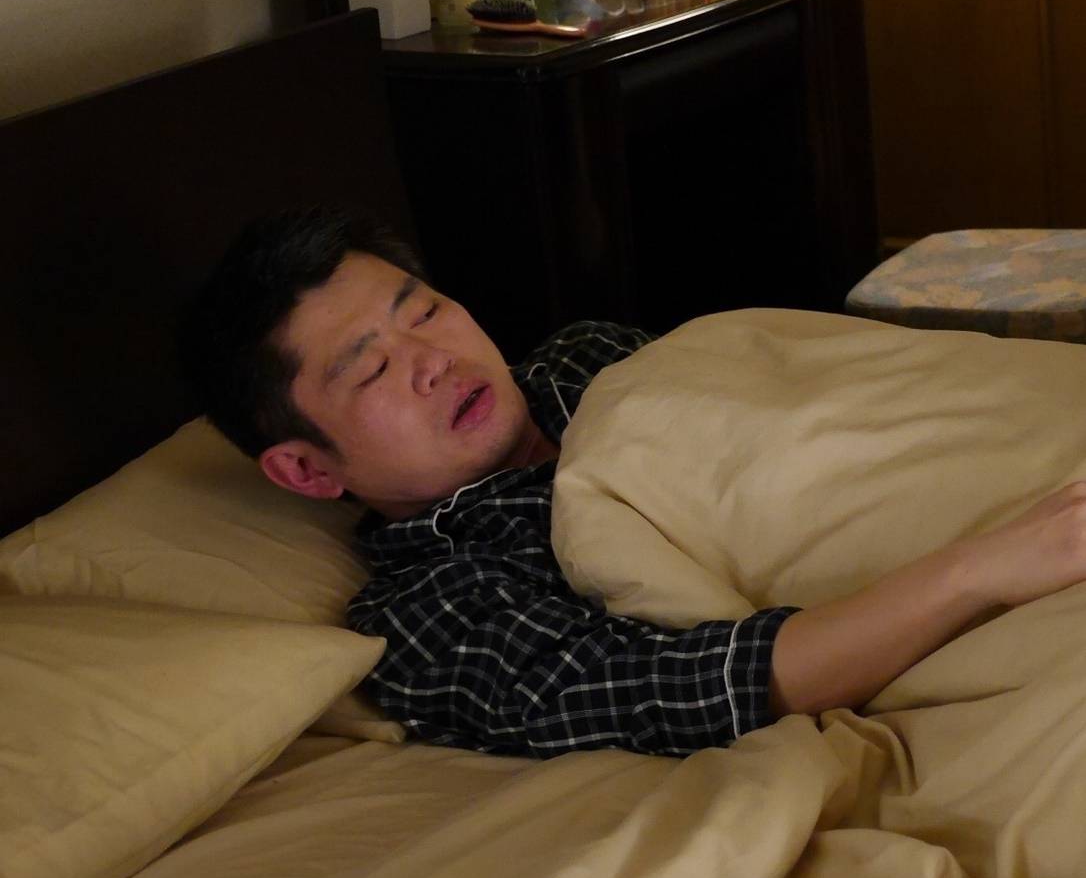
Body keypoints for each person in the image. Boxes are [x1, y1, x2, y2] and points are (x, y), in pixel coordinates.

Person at [181, 204, 1086, 760]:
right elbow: (697, 689)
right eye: (372, 369)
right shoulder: (436, 607)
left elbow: (828, 401)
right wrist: (986, 566)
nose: (433, 359)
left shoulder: (590, 358)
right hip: (981, 576)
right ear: (306, 468)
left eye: (424, 311)